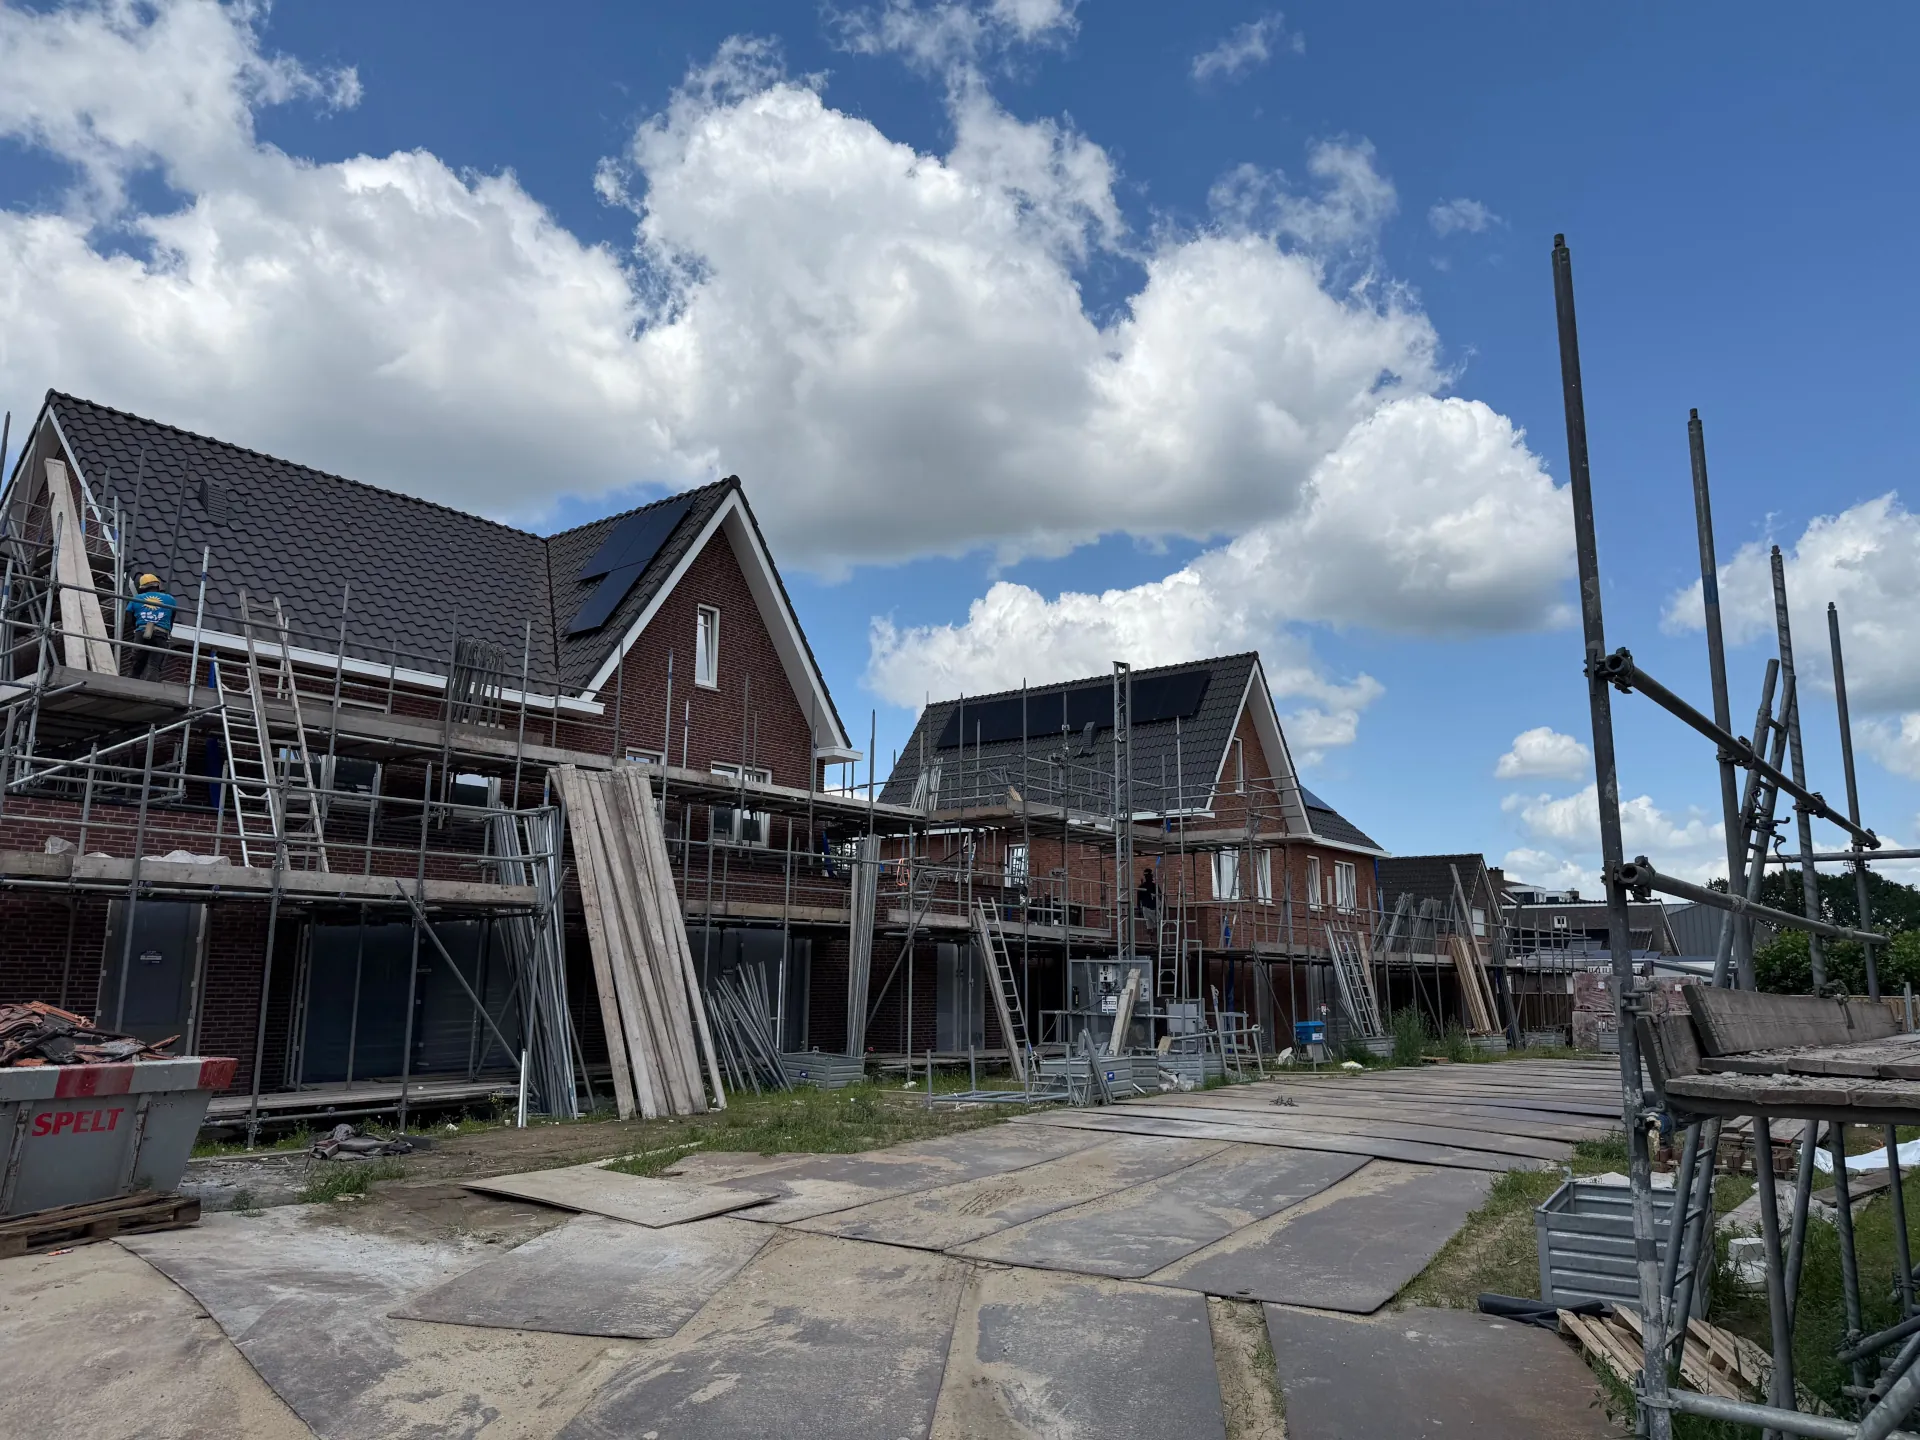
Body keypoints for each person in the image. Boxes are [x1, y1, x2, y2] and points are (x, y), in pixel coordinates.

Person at [125, 572, 176, 680]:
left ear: (142, 588)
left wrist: (137, 629)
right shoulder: (170, 599)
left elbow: (129, 619)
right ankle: (149, 686)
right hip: (161, 632)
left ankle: (130, 684)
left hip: (142, 631)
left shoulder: (136, 598)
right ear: (158, 586)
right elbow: (171, 619)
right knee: (154, 665)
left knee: (137, 663)